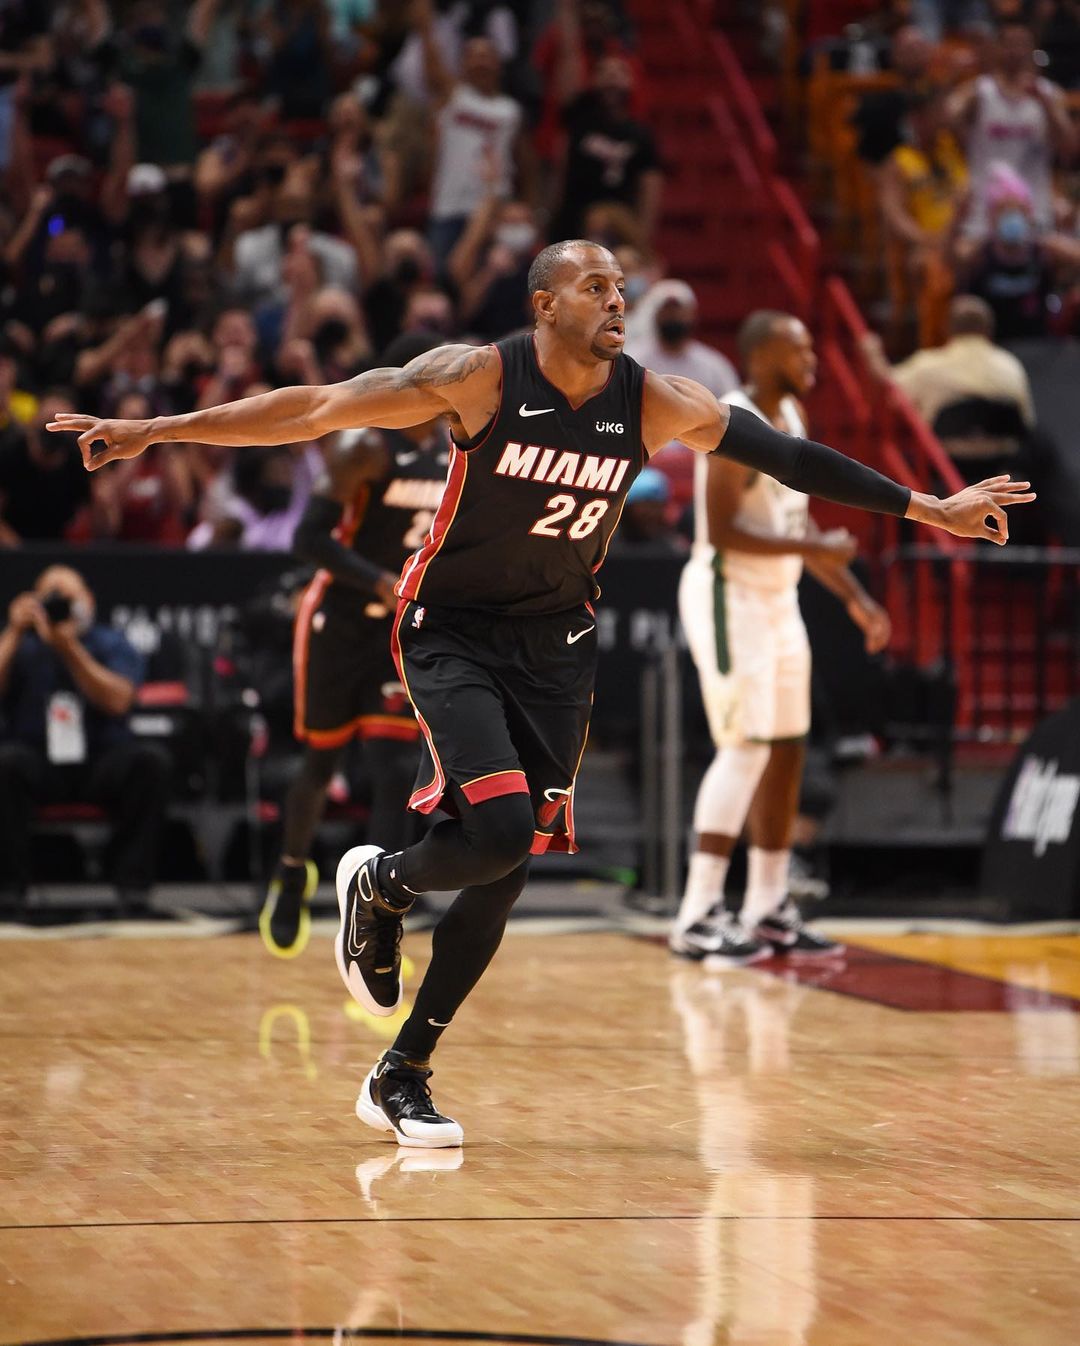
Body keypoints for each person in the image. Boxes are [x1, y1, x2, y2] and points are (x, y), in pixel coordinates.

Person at [50, 239, 1033, 1147]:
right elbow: (319, 406)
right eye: (595, 286)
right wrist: (156, 430)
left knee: (505, 867)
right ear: (544, 304)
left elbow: (787, 456)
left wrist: (928, 505)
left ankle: (401, 1065)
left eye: (621, 288)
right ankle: (380, 885)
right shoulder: (479, 377)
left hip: (556, 646)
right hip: (450, 632)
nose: (617, 301)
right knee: (500, 829)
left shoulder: (653, 400)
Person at [671, 311, 892, 964]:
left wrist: (855, 598)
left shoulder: (792, 416)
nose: (812, 362)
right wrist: (810, 548)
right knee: (743, 748)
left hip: (778, 597)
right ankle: (697, 912)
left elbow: (798, 525)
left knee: (789, 747)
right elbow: (723, 529)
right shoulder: (732, 420)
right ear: (762, 355)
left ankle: (766, 907)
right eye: (800, 350)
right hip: (728, 594)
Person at [260, 332, 450, 959]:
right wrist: (379, 582)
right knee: (321, 761)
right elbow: (309, 540)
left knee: (393, 766)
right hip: (338, 620)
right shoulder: (364, 445)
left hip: (395, 627)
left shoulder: (457, 448)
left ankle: (376, 905)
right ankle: (292, 872)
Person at [0, 564, 169, 911]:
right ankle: (8, 891)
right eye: (51, 597)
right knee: (5, 764)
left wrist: (70, 649)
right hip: (38, 760)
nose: (59, 605)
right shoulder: (21, 644)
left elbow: (119, 700)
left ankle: (134, 889)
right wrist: (14, 632)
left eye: (68, 596)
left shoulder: (111, 642)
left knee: (150, 762)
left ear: (88, 600)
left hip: (100, 759)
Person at [860, 295, 1035, 479]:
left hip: (943, 463)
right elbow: (1027, 421)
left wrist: (872, 352)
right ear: (989, 329)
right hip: (1002, 464)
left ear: (947, 328)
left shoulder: (927, 365)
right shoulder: (1011, 366)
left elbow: (889, 387)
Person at [946, 19, 1077, 241]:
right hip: (984, 214)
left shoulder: (1049, 94)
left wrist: (1047, 108)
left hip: (1035, 212)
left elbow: (1070, 148)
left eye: (1022, 44)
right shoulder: (979, 92)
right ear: (997, 48)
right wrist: (955, 79)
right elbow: (946, 118)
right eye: (1009, 44)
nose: (1015, 51)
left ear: (1033, 49)